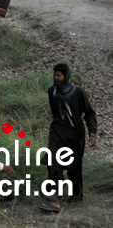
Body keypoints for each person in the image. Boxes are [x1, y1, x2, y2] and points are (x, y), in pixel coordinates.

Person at [41, 64, 98, 212]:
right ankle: (54, 200)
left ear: (66, 76)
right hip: (57, 132)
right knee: (53, 163)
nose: (56, 78)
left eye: (59, 76)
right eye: (54, 75)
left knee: (74, 167)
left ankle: (76, 195)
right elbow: (55, 113)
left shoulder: (78, 93)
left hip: (75, 135)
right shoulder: (52, 91)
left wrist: (92, 133)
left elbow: (89, 113)